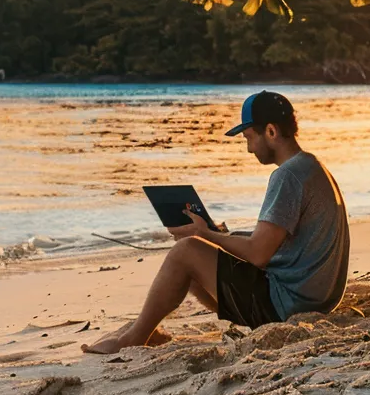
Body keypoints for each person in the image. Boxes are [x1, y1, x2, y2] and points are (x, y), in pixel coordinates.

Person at [84, 91, 350, 354]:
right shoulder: (312, 166)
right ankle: (149, 330)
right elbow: (281, 241)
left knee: (185, 251)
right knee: (200, 249)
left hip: (289, 306)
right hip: (315, 299)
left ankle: (133, 339)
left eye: (249, 138)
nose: (248, 149)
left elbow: (258, 254)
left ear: (270, 131)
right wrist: (220, 235)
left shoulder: (287, 176)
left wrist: (205, 235)